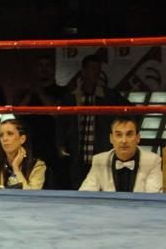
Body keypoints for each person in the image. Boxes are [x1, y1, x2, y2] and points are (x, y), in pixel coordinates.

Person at [66, 54, 128, 188]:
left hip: (102, 151)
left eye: (98, 69)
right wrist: (60, 144)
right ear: (83, 71)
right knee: (77, 187)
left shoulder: (109, 95)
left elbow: (131, 112)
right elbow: (62, 121)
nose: (96, 73)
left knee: (104, 187)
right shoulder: (72, 96)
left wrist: (119, 134)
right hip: (78, 152)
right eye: (93, 68)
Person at [15, 53, 70, 187]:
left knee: (56, 181)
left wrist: (39, 91)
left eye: (47, 66)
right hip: (30, 143)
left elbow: (54, 112)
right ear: (35, 69)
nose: (44, 69)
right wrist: (31, 92)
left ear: (53, 69)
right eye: (40, 66)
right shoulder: (24, 93)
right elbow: (17, 113)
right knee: (30, 180)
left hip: (52, 143)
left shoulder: (62, 91)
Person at [79, 116, 163, 192]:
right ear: (111, 139)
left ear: (138, 138)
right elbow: (86, 193)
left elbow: (153, 197)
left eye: (129, 134)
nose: (124, 141)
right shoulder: (99, 160)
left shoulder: (153, 161)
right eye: (118, 135)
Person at [0, 118, 46, 190]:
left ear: (22, 139)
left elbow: (31, 197)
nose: (4, 138)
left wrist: (16, 168)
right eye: (1, 135)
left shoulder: (37, 166)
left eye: (10, 134)